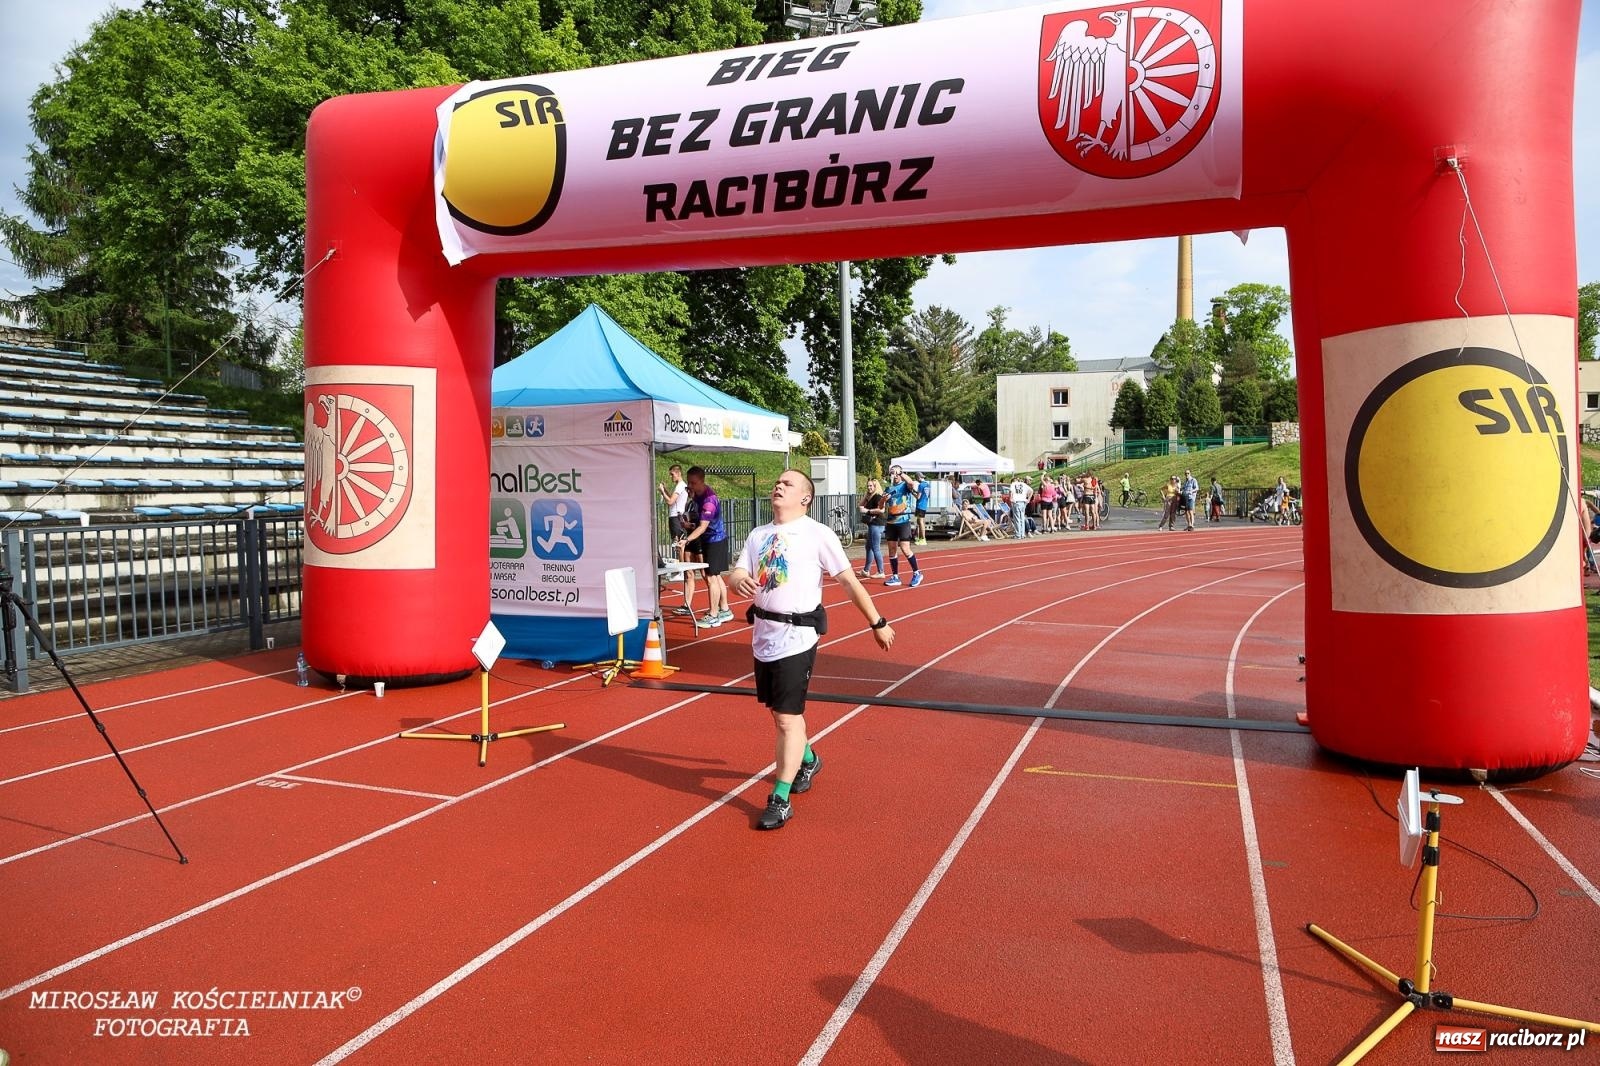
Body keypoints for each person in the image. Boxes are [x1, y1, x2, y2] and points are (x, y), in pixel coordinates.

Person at [727, 469, 896, 830]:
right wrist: (739, 578)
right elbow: (736, 572)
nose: (778, 485)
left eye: (787, 483)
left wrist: (877, 623)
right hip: (763, 634)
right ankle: (808, 758)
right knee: (778, 712)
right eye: (778, 481)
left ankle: (780, 797)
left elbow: (849, 582)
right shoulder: (758, 534)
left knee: (788, 718)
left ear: (805, 497)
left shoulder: (818, 534)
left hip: (798, 635)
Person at [676, 467, 732, 625]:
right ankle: (725, 609)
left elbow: (702, 527)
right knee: (716, 575)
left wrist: (686, 541)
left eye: (694, 483)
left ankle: (714, 614)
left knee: (711, 577)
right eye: (689, 482)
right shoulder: (696, 495)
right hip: (710, 538)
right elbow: (698, 523)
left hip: (715, 539)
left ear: (702, 481)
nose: (690, 486)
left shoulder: (709, 500)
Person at [658, 464, 695, 615]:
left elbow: (670, 502)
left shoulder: (681, 486)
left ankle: (681, 568)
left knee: (680, 545)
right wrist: (666, 490)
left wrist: (662, 491)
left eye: (672, 474)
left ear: (677, 473)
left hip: (676, 518)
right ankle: (681, 567)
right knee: (677, 544)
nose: (671, 477)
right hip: (675, 518)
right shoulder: (679, 486)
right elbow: (673, 499)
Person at [881, 467, 925, 586]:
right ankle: (895, 576)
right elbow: (881, 505)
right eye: (892, 473)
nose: (894, 475)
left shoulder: (905, 486)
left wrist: (900, 472)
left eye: (896, 473)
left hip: (903, 521)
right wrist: (883, 500)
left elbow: (911, 483)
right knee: (892, 550)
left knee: (905, 549)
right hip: (890, 522)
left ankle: (917, 573)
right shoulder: (888, 488)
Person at [858, 478, 886, 578]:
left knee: (875, 548)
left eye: (871, 486)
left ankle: (881, 571)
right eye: (868, 486)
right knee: (868, 547)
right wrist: (866, 495)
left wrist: (867, 511)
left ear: (875, 487)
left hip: (876, 524)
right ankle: (866, 570)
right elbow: (860, 505)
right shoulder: (871, 496)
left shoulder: (878, 496)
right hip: (872, 524)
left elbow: (881, 510)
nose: (869, 487)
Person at [913, 471, 931, 545]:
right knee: (920, 521)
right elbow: (927, 495)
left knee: (920, 522)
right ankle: (920, 538)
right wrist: (915, 492)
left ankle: (923, 539)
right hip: (924, 505)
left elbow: (918, 497)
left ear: (918, 477)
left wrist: (912, 493)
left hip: (920, 505)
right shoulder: (927, 485)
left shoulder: (921, 485)